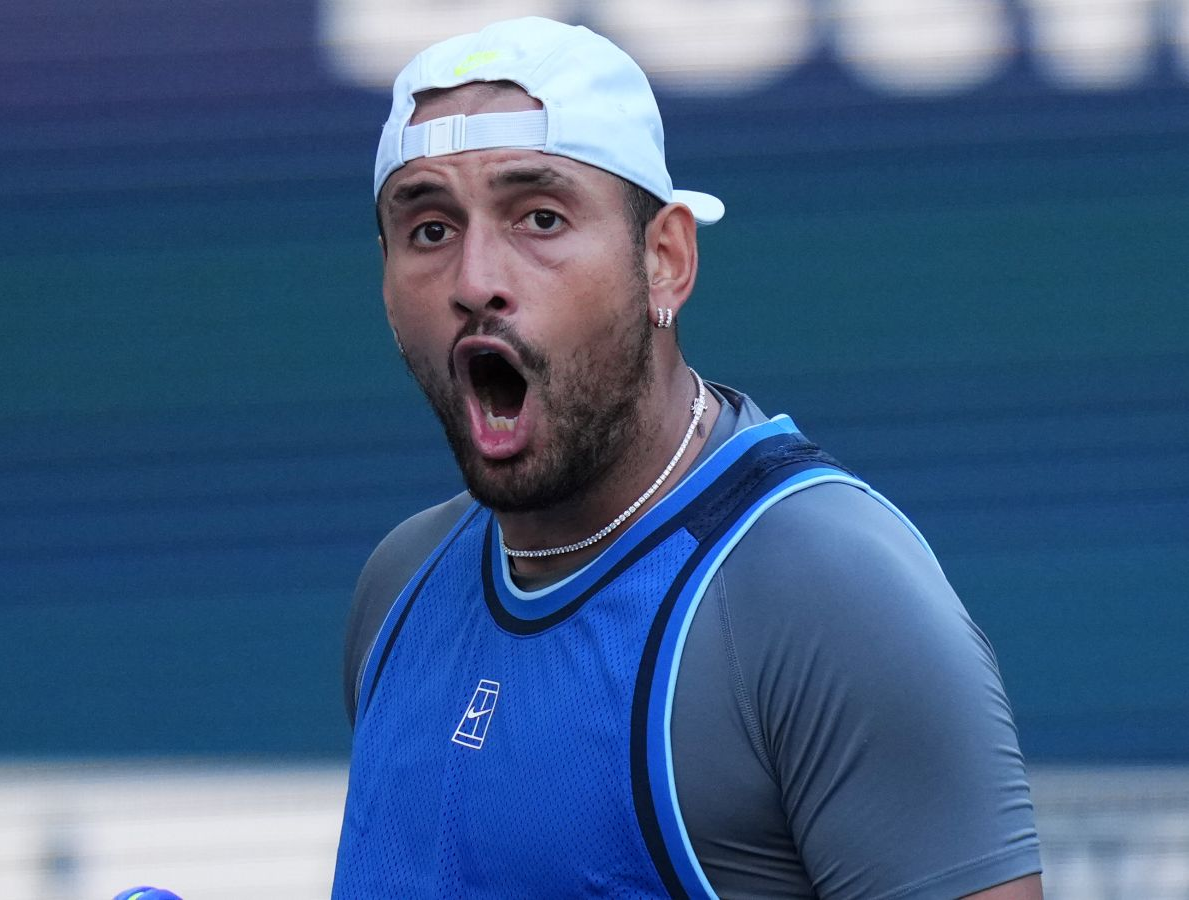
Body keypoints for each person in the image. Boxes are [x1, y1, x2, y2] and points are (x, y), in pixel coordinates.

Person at [332, 16, 1042, 899]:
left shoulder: (825, 595)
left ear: (665, 259)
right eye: (431, 231)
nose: (475, 281)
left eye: (540, 218)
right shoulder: (399, 585)